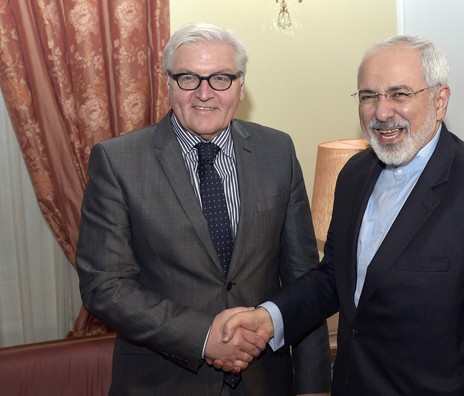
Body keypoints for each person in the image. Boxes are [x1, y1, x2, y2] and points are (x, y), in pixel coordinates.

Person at [221, 35, 464, 395]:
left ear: (440, 101)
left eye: (400, 94)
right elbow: (335, 276)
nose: (381, 111)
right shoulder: (355, 175)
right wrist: (270, 318)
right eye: (368, 96)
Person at [76, 22, 330, 396]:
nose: (204, 94)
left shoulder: (278, 152)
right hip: (163, 383)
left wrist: (313, 387)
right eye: (188, 78)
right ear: (168, 83)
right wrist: (203, 336)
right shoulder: (118, 161)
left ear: (241, 86)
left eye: (221, 79)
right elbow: (105, 285)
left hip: (265, 382)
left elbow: (304, 280)